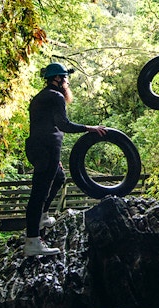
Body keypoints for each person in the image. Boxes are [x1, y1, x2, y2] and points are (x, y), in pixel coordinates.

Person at [24, 62, 106, 256]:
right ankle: (33, 241)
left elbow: (44, 126)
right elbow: (63, 124)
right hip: (46, 149)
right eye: (65, 78)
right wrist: (89, 128)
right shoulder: (56, 96)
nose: (67, 82)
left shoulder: (40, 97)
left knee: (59, 178)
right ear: (57, 79)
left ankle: (43, 217)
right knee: (38, 194)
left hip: (38, 148)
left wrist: (52, 157)